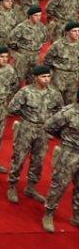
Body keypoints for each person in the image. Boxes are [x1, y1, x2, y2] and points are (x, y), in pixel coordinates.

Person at [6, 66, 64, 204]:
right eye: (43, 77)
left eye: (48, 76)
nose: (47, 79)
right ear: (35, 77)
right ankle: (12, 185)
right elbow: (12, 108)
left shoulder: (55, 94)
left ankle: (31, 187)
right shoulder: (25, 92)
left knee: (38, 160)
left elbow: (60, 111)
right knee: (19, 157)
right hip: (27, 127)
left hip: (44, 130)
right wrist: (26, 117)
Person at [42, 90, 79, 232]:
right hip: (69, 153)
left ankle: (76, 215)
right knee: (59, 185)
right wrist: (65, 140)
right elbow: (49, 125)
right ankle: (49, 213)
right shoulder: (68, 112)